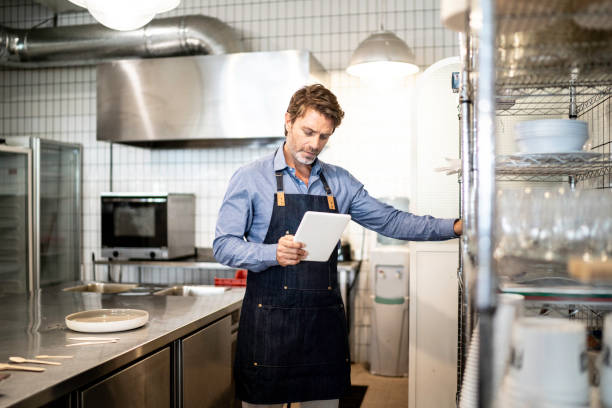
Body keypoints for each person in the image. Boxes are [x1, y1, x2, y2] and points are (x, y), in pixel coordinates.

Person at [213, 84, 462, 408]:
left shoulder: (340, 181)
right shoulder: (250, 177)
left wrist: (455, 227)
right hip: (269, 329)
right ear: (288, 120)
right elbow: (223, 245)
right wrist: (271, 252)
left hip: (321, 327)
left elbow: (392, 221)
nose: (314, 144)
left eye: (324, 137)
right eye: (308, 131)